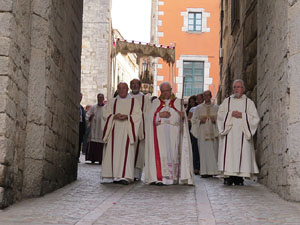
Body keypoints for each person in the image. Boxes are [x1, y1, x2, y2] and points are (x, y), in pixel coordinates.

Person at [144, 81, 194, 185]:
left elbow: (183, 121)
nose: (165, 93)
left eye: (167, 91)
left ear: (171, 90)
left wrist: (182, 116)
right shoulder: (155, 103)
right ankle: (160, 178)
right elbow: (148, 118)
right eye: (163, 91)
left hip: (174, 133)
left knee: (173, 154)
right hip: (159, 135)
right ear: (160, 91)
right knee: (161, 154)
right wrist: (159, 114)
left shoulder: (178, 102)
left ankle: (174, 177)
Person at [217, 79, 260, 185]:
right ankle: (228, 177)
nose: (236, 89)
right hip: (229, 133)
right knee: (229, 153)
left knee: (242, 154)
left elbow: (255, 118)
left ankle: (239, 178)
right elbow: (220, 115)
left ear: (243, 89)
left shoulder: (249, 103)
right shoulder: (226, 101)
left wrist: (243, 116)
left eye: (239, 87)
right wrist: (230, 114)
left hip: (242, 133)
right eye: (235, 87)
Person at [101, 82, 142, 185]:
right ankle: (114, 175)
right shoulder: (112, 101)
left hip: (127, 130)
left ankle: (125, 176)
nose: (122, 90)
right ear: (117, 90)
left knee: (126, 153)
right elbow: (105, 114)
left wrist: (127, 117)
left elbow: (138, 116)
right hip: (114, 130)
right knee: (113, 151)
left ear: (127, 89)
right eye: (119, 88)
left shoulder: (134, 101)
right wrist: (114, 116)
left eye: (124, 88)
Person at [191, 90, 219, 177]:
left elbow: (222, 120)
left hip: (213, 133)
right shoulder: (198, 108)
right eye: (205, 95)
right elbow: (193, 120)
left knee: (213, 151)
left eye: (208, 95)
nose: (206, 97)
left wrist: (216, 121)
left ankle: (213, 171)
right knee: (203, 152)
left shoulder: (217, 108)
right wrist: (200, 121)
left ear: (211, 96)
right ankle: (204, 172)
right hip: (202, 133)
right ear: (203, 97)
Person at [129, 79, 151, 180]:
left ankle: (136, 173)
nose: (134, 86)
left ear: (140, 86)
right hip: (128, 127)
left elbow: (148, 113)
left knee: (139, 151)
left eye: (136, 84)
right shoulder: (126, 97)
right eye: (132, 84)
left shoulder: (145, 98)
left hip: (140, 127)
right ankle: (127, 171)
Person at [85, 94, 105, 164]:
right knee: (93, 142)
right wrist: (90, 117)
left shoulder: (106, 108)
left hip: (101, 129)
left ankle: (100, 159)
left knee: (101, 143)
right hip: (94, 128)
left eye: (101, 97)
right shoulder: (93, 107)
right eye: (98, 97)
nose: (100, 99)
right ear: (97, 98)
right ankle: (92, 158)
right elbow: (87, 117)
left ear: (103, 98)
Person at [186, 95, 200, 175]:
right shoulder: (191, 109)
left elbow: (189, 118)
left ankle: (196, 166)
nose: (191, 103)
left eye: (193, 101)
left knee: (195, 148)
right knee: (194, 147)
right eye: (190, 102)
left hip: (193, 129)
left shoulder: (194, 109)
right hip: (191, 129)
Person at [78, 93, 86, 162]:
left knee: (79, 143)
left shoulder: (81, 108)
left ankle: (77, 157)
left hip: (80, 127)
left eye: (81, 97)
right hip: (77, 126)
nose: (80, 98)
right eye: (79, 97)